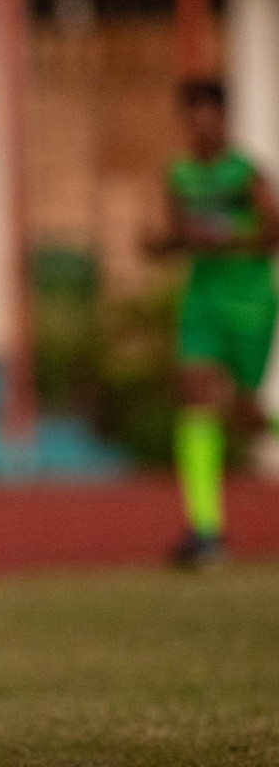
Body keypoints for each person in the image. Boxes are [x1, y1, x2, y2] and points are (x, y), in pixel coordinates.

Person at [149, 78, 279, 568]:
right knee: (195, 394)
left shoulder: (247, 175)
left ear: (225, 119)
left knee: (246, 416)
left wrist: (223, 240)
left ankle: (207, 529)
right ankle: (206, 529)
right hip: (202, 302)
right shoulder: (178, 175)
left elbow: (272, 234)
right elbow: (178, 236)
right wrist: (159, 244)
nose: (201, 127)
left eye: (210, 117)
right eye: (192, 117)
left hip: (251, 303)